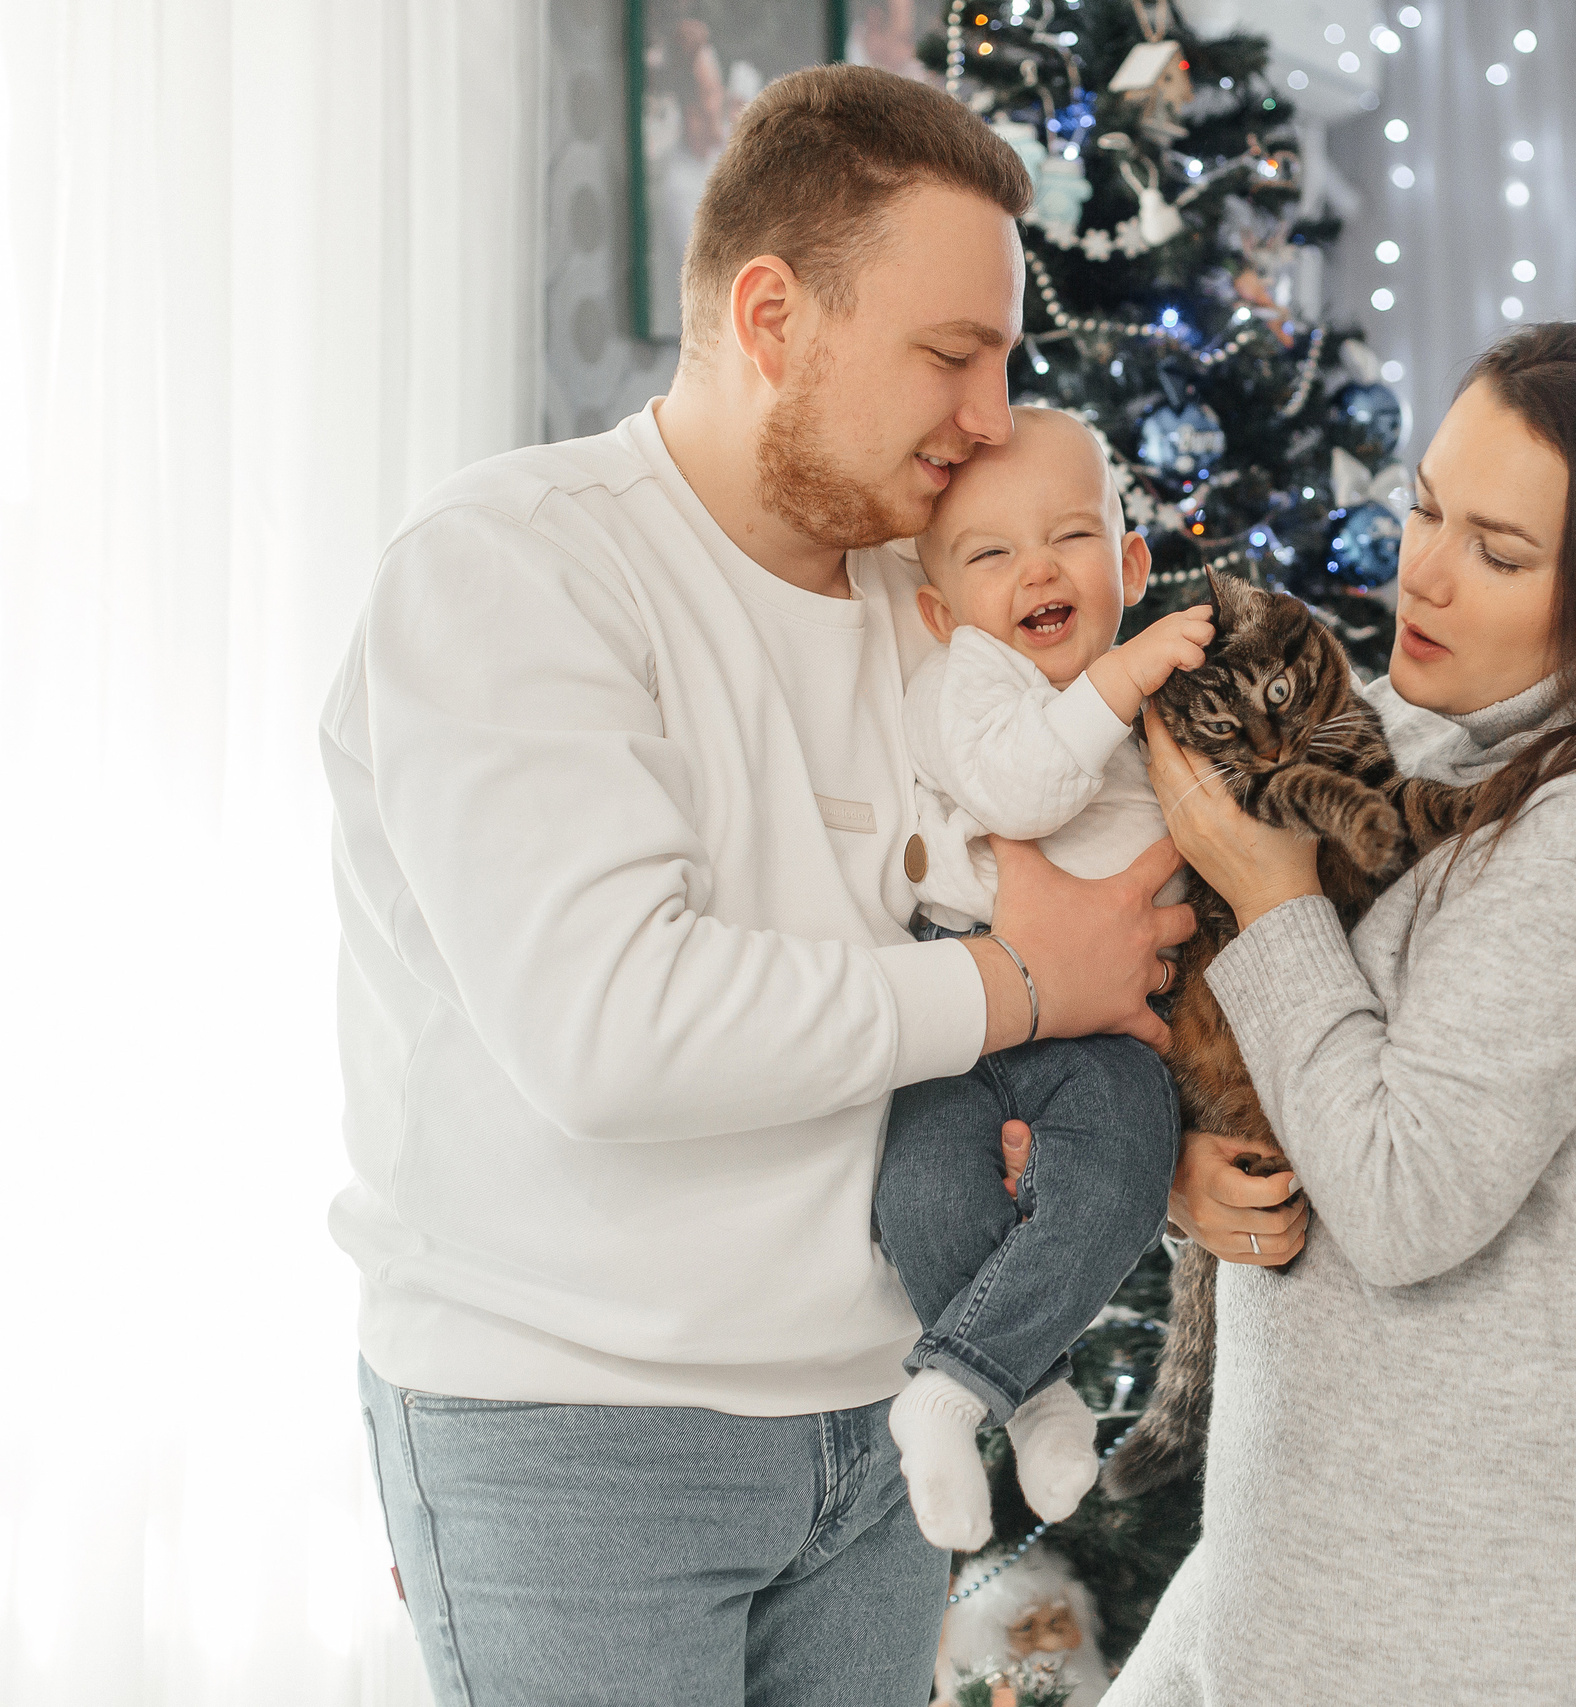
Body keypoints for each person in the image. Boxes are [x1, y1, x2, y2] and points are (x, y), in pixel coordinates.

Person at [321, 65, 1191, 1706]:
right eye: (951, 354)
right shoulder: (512, 567)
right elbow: (617, 1031)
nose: (994, 418)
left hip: (880, 1419)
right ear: (773, 314)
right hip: (575, 1429)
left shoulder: (933, 601)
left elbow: (1093, 879)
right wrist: (1021, 981)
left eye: (1007, 360)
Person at [1110, 321, 1576, 1704]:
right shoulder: (1432, 734)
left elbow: (1397, 1199)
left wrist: (1272, 891)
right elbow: (1293, 1068)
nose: (1424, 571)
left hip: (1536, 1614)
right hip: (1323, 1562)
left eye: (1502, 551)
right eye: (1427, 508)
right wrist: (1183, 1173)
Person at [873, 409, 1215, 1553]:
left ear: (1128, 566)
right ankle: (1007, 1388)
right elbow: (1024, 795)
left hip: (1106, 1031)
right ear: (939, 610)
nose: (1036, 571)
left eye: (1070, 537)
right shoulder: (965, 682)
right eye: (989, 555)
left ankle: (989, 1386)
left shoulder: (1158, 701)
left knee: (1122, 1171)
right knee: (923, 1195)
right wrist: (1118, 679)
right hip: (963, 996)